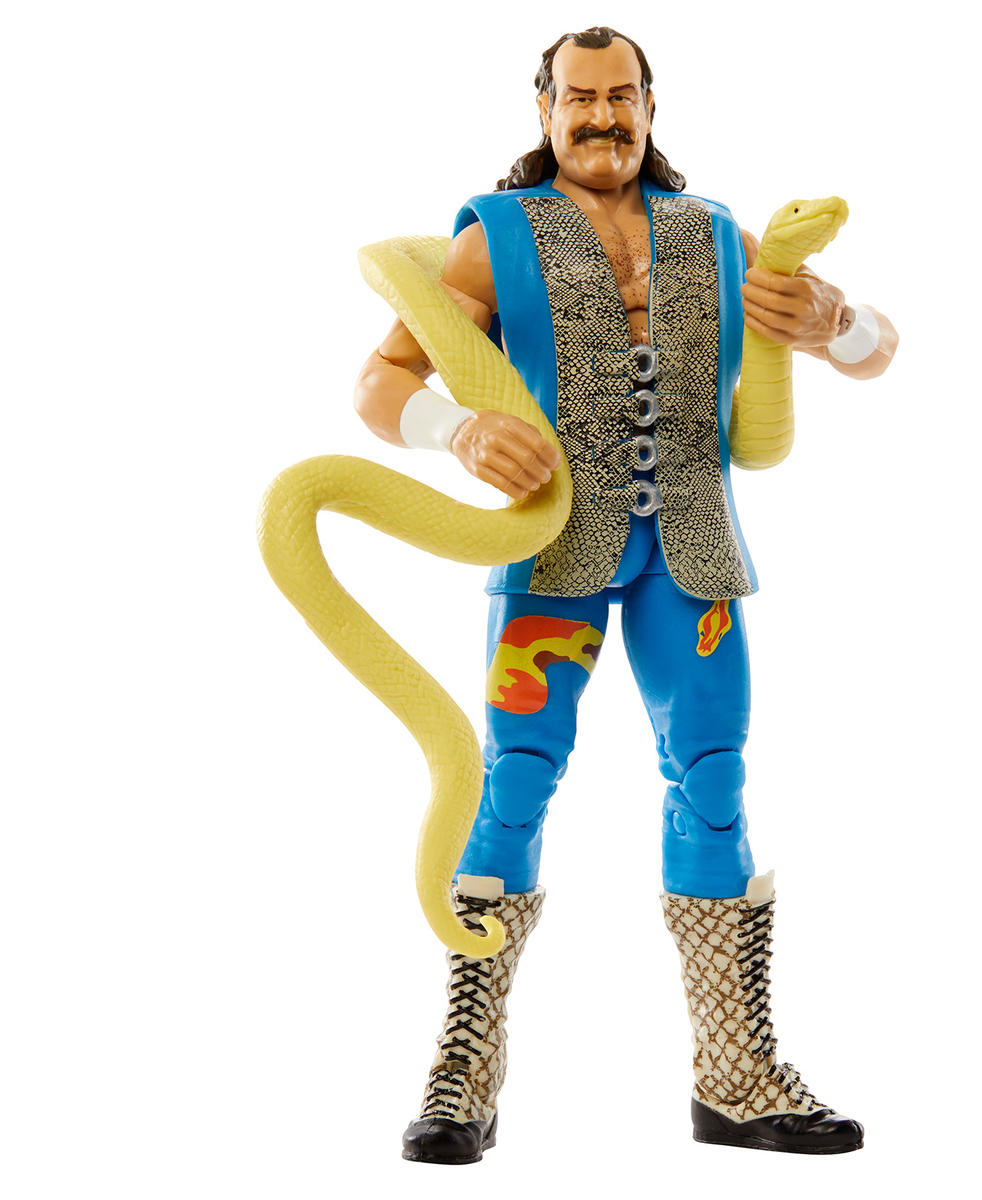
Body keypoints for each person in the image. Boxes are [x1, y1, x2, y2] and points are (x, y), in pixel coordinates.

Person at [353, 26, 897, 1164]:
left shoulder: (715, 232)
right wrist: (459, 430)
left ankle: (736, 1073)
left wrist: (835, 322)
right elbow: (379, 381)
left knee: (714, 781)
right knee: (512, 782)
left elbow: (875, 350)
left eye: (621, 96)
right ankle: (464, 1067)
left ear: (651, 104)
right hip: (552, 549)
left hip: (691, 554)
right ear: (544, 107)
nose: (602, 117)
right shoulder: (493, 239)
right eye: (580, 97)